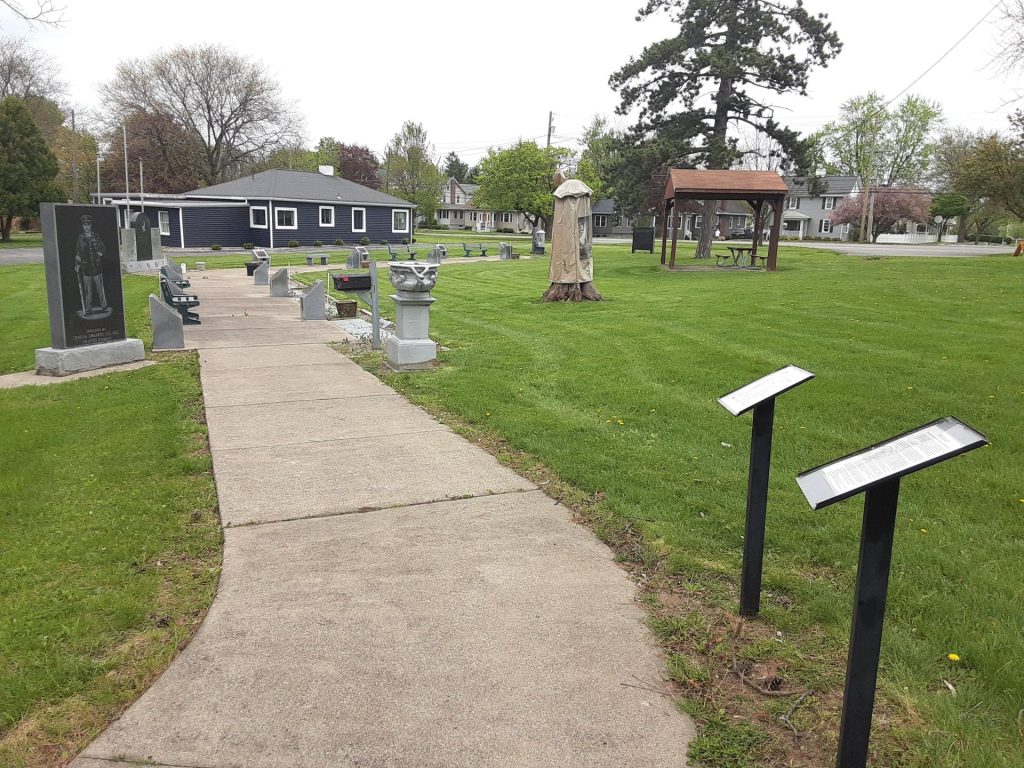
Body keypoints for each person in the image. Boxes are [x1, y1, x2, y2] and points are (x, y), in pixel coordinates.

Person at [75, 215, 109, 316]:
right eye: (84, 225)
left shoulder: (96, 236)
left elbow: (103, 248)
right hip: (86, 268)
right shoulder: (80, 238)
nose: (86, 227)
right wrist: (77, 264)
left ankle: (104, 306)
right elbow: (77, 252)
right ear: (82, 226)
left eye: (88, 224)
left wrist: (99, 254)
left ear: (91, 225)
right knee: (88, 291)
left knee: (100, 289)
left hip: (97, 267)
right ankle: (88, 309)